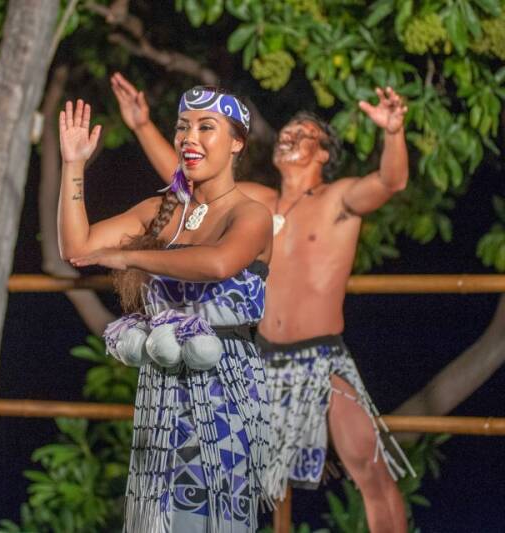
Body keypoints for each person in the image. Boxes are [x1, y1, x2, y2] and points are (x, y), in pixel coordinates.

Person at [111, 72, 414, 533]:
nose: (289, 136)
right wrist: (141, 125)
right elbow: (184, 179)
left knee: (365, 462)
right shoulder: (256, 201)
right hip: (257, 356)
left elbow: (389, 182)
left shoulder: (338, 200)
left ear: (324, 154)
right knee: (248, 476)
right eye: (286, 132)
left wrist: (393, 133)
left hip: (319, 356)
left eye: (303, 135)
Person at [58, 91, 273, 531]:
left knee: (208, 518)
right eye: (182, 126)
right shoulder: (160, 210)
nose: (188, 138)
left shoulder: (251, 214)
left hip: (223, 389)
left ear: (237, 143)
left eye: (205, 127)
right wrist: (73, 164)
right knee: (158, 518)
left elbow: (216, 264)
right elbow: (77, 248)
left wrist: (133, 257)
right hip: (162, 386)